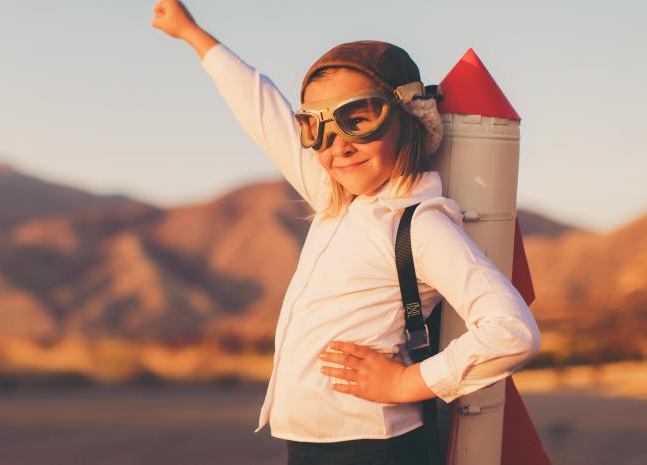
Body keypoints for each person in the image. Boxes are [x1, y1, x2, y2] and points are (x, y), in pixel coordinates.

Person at [151, 1, 542, 464]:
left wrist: (406, 383)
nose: (338, 145)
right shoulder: (336, 202)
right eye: (315, 126)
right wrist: (192, 34)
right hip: (309, 444)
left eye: (358, 119)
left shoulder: (418, 224)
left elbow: (513, 331)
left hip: (372, 447)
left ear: (409, 117)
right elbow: (261, 111)